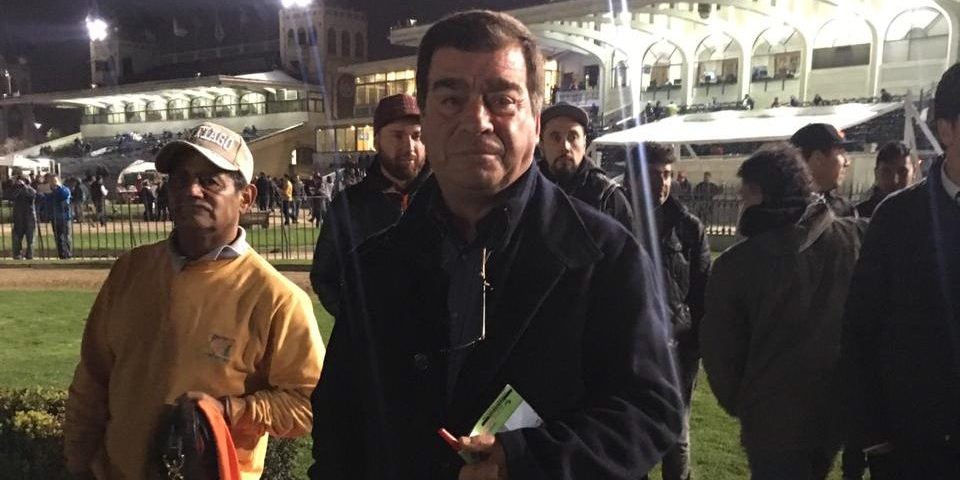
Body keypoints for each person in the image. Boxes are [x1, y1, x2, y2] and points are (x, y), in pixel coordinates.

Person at [310, 10, 682, 479]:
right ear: (427, 116)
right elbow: (339, 423)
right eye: (451, 99)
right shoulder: (376, 265)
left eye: (501, 99)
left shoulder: (605, 255)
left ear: (535, 119)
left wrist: (528, 459)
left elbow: (650, 410)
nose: (476, 120)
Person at [64, 122, 325, 479]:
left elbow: (310, 404)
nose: (191, 189)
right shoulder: (130, 270)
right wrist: (78, 464)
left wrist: (229, 411)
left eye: (210, 180)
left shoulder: (277, 299)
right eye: (180, 179)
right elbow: (92, 381)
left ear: (246, 197)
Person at [700, 144, 866, 480]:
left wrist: (746, 402)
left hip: (772, 418)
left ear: (760, 194)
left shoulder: (737, 265)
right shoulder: (856, 239)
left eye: (744, 195)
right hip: (839, 408)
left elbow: (720, 351)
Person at [843, 63, 960, 480]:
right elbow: (861, 330)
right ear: (946, 130)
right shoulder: (897, 218)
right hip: (914, 446)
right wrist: (874, 435)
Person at [623, 142, 712, 480]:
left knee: (677, 435)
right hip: (630, 348)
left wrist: (695, 345)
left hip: (678, 350)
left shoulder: (688, 227)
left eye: (667, 174)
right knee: (633, 432)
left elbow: (702, 291)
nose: (662, 183)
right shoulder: (616, 221)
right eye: (653, 175)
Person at [310, 93, 429, 318]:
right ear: (376, 142)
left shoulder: (447, 198)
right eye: (398, 135)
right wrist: (357, 321)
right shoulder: (349, 205)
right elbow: (324, 276)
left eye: (417, 136)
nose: (409, 146)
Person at [537, 103, 633, 229]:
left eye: (573, 137)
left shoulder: (607, 196)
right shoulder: (527, 190)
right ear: (542, 145)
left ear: (584, 143)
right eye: (555, 137)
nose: (565, 147)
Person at [790, 123, 857, 217]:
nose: (847, 162)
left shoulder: (844, 208)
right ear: (818, 158)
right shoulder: (786, 210)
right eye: (841, 154)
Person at [854, 141, 914, 218]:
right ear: (876, 173)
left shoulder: (924, 214)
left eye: (902, 172)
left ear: (914, 173)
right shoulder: (858, 215)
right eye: (887, 172)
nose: (895, 180)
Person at [45, 174, 72, 260]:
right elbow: (47, 201)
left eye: (54, 181)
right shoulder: (51, 193)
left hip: (64, 218)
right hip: (55, 217)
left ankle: (67, 254)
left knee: (65, 237)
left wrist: (55, 190)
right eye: (51, 181)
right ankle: (62, 255)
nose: (53, 183)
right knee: (58, 238)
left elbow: (63, 196)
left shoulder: (64, 190)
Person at [11, 176, 37, 260]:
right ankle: (17, 254)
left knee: (30, 237)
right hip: (18, 217)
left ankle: (30, 254)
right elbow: (11, 196)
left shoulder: (30, 190)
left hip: (29, 216)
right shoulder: (15, 190)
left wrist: (24, 187)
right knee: (17, 237)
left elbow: (33, 195)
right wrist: (18, 188)